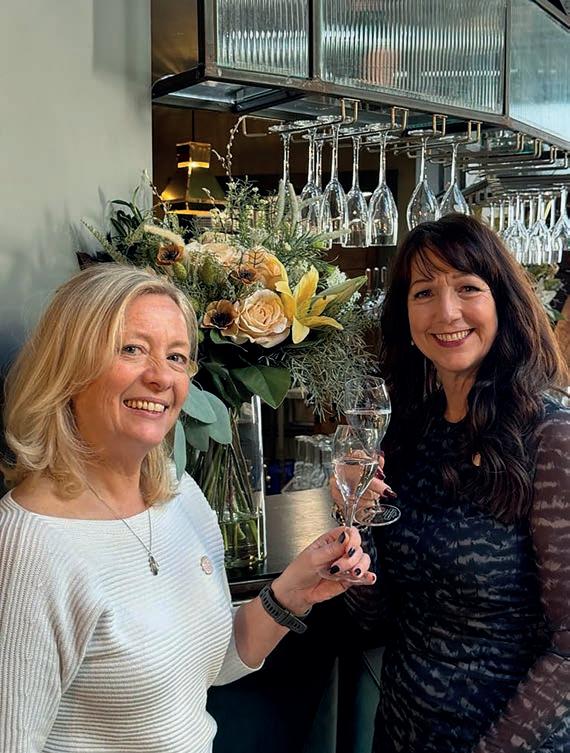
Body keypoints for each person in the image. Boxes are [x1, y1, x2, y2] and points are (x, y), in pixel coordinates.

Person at [0, 264, 374, 753]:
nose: (160, 377)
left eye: (176, 356)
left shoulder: (179, 496)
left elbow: (213, 660)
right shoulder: (27, 548)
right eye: (131, 349)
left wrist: (292, 592)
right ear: (68, 366)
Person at [333, 214, 570, 753]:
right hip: (399, 733)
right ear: (405, 313)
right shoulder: (409, 433)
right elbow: (373, 618)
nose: (446, 312)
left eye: (467, 287)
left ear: (502, 301)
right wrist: (354, 515)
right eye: (424, 292)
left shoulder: (551, 437)